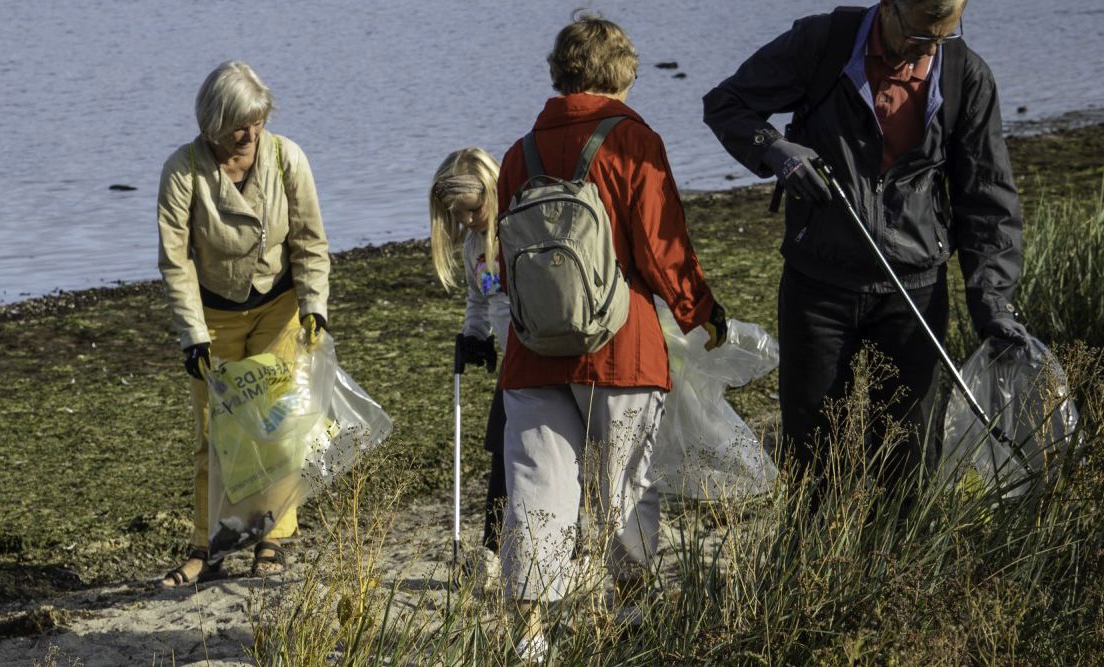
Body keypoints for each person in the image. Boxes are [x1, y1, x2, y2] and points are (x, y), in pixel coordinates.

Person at [702, 0, 1026, 498]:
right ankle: (809, 567)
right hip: (818, 289)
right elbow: (726, 104)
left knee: (906, 461)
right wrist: (772, 148)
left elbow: (987, 199)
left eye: (943, 37)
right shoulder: (821, 45)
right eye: (919, 37)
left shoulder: (965, 76)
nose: (928, 51)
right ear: (890, 7)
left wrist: (993, 304)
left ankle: (895, 569)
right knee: (812, 462)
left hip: (914, 293)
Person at [492, 14, 725, 656]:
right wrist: (699, 309)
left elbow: (510, 261)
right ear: (620, 73)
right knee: (626, 491)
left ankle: (531, 641)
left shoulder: (520, 154)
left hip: (534, 351)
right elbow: (660, 246)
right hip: (621, 350)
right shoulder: (632, 139)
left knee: (536, 498)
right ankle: (628, 626)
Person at [155, 60, 331, 587]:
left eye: (257, 121)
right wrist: (193, 336)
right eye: (239, 124)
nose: (250, 133)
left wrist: (314, 305)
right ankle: (207, 548)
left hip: (279, 310)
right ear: (213, 122)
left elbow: (310, 241)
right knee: (216, 435)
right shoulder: (182, 171)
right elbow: (175, 261)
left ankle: (271, 540)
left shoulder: (286, 157)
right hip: (213, 319)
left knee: (276, 429)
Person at [427, 147, 509, 584]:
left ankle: (559, 545)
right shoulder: (475, 245)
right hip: (511, 364)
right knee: (499, 448)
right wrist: (475, 337)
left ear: (492, 191)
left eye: (473, 209)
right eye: (457, 215)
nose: (467, 221)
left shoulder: (514, 232)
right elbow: (480, 296)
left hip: (540, 356)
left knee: (521, 452)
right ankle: (492, 549)